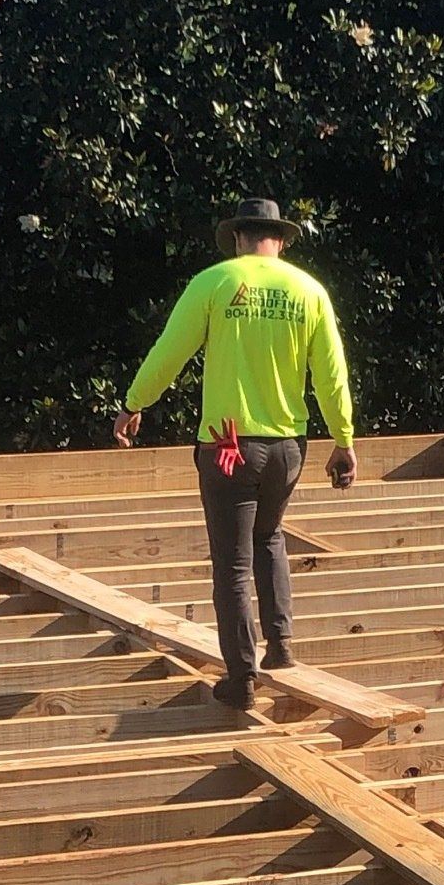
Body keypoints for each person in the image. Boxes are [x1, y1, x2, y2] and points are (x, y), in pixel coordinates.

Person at [113, 196, 356, 710]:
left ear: (238, 239)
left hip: (228, 446)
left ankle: (241, 679)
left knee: (232, 564)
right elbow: (331, 376)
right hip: (288, 447)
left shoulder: (214, 282)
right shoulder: (309, 291)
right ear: (281, 240)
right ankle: (281, 648)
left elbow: (168, 352)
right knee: (270, 539)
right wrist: (344, 441)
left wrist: (135, 403)